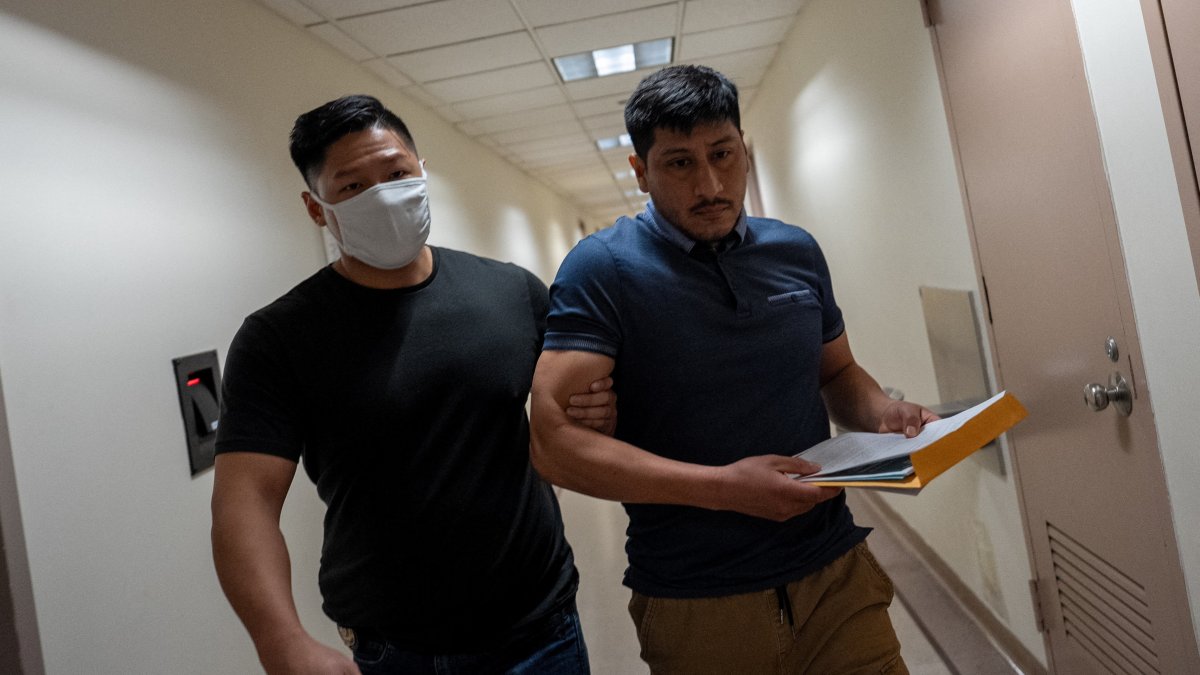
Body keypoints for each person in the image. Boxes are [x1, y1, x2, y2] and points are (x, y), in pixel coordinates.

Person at [530, 65, 937, 674]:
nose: (711, 184)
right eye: (679, 164)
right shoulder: (603, 270)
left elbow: (838, 371)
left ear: (743, 149)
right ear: (640, 172)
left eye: (723, 154)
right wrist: (722, 488)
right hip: (700, 599)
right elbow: (554, 447)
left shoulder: (795, 251)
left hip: (834, 575)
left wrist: (882, 411)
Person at [211, 94, 614, 675]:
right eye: (352, 186)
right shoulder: (281, 337)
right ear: (315, 207)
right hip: (396, 649)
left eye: (397, 173)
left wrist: (594, 408)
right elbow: (244, 502)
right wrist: (281, 639)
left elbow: (570, 414)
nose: (383, 194)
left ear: (422, 172)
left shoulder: (511, 293)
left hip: (540, 628)